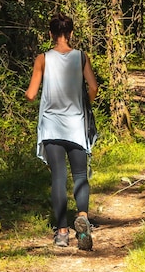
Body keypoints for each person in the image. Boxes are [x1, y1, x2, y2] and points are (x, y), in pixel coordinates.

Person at [25, 13, 98, 250]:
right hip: (76, 125)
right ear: (71, 33)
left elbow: (31, 94)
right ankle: (83, 221)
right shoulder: (81, 57)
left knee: (58, 176)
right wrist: (83, 101)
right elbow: (94, 88)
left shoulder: (42, 59)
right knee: (79, 175)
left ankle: (62, 232)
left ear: (50, 34)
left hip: (51, 126)